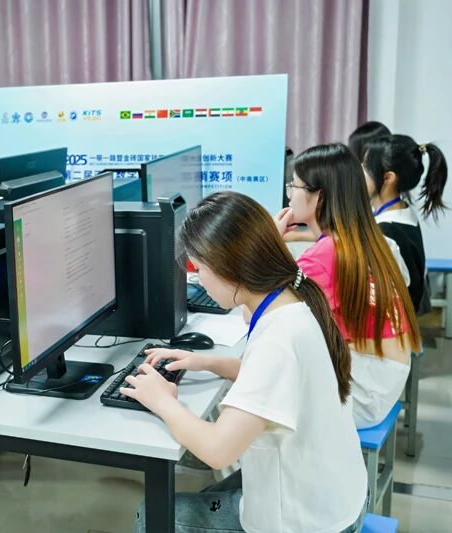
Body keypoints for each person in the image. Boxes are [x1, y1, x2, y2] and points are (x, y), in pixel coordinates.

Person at [127, 191, 367, 532]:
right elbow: (279, 380)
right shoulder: (292, 299)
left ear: (228, 266)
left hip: (312, 521)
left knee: (152, 515)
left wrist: (162, 400)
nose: (198, 278)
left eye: (199, 268)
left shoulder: (278, 338)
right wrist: (206, 362)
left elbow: (218, 451)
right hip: (335, 494)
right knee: (204, 495)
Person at [276, 143, 421, 428]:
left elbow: (268, 316)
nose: (289, 194)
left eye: (294, 185)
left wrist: (269, 245)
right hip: (384, 375)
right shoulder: (361, 234)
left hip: (362, 392)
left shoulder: (322, 257)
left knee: (261, 384)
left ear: (319, 196)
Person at [363, 134, 448, 314]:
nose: (360, 174)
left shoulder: (388, 230)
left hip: (392, 325)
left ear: (388, 178)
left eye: (366, 168)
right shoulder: (402, 212)